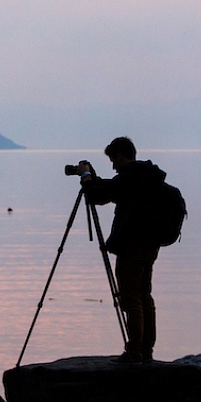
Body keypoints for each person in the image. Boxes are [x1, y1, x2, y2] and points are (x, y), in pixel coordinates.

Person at [76, 136, 167, 363]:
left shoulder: (129, 179)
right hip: (149, 247)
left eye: (113, 160)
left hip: (132, 248)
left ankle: (134, 351)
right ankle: (146, 350)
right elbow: (110, 188)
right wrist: (93, 178)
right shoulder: (145, 176)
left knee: (131, 299)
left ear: (120, 156)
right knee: (144, 296)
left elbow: (98, 195)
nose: (113, 166)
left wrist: (86, 177)